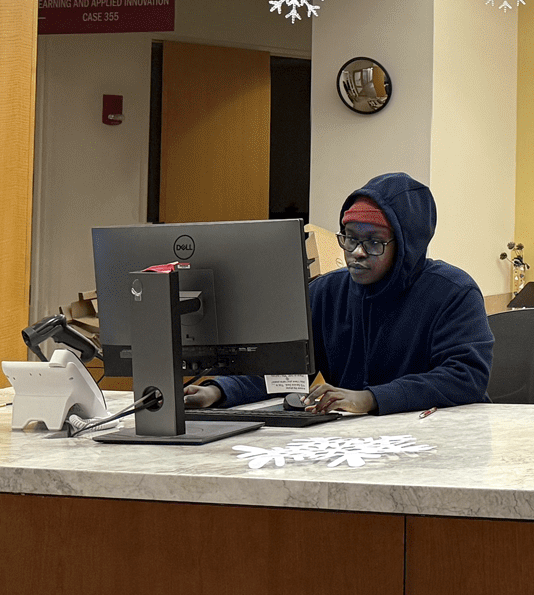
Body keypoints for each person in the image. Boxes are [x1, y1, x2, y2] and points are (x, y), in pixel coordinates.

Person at [185, 172, 494, 415]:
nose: (356, 252)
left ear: (406, 247)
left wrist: (371, 398)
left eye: (374, 242)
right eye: (349, 238)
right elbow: (286, 371)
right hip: (354, 443)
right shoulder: (325, 293)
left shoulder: (454, 292)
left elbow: (465, 377)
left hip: (438, 439)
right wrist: (220, 390)